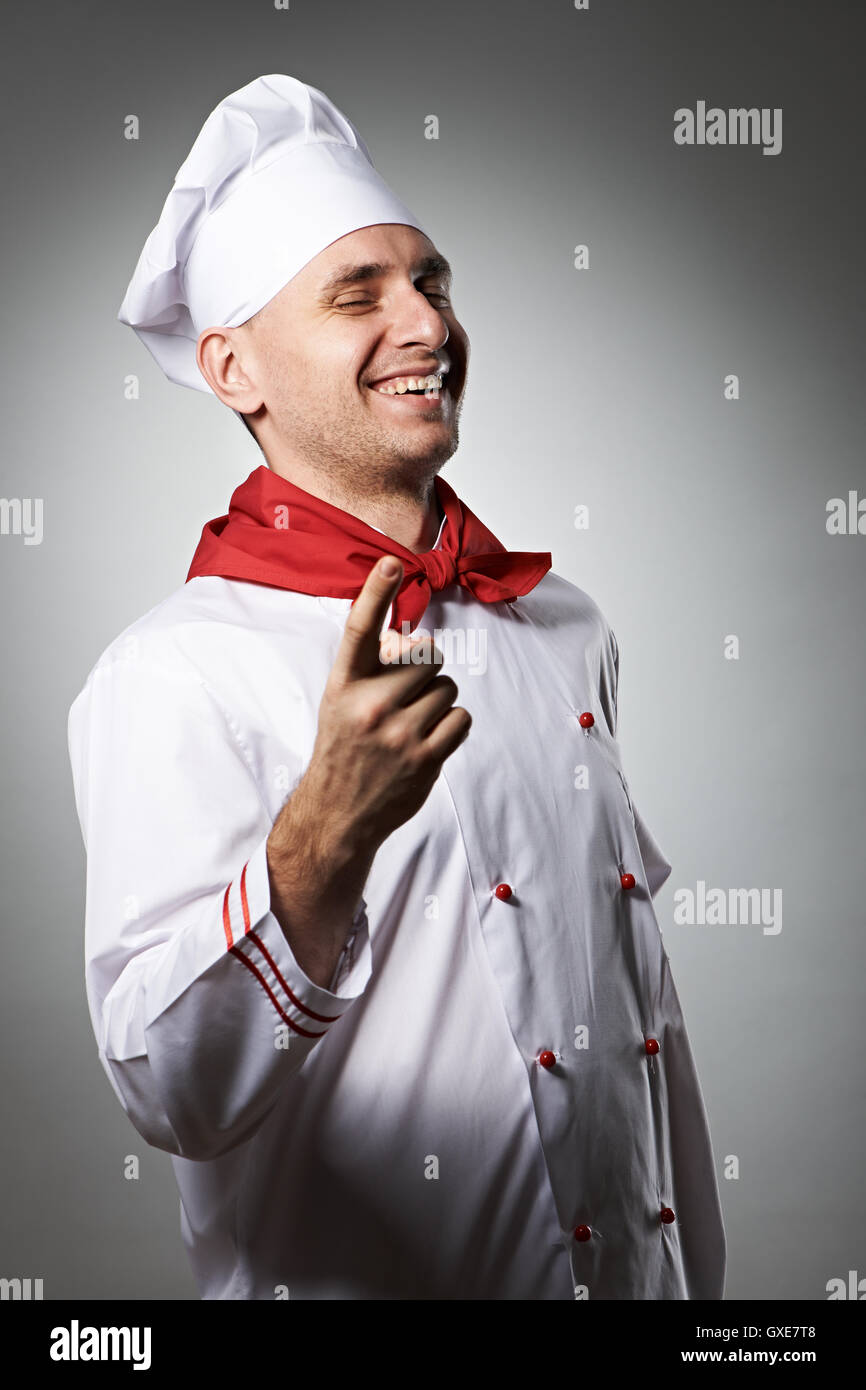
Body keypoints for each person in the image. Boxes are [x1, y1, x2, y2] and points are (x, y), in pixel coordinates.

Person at [67, 74, 726, 1300]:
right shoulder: (169, 673)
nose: (424, 324)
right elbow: (169, 1090)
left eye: (429, 282)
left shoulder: (562, 626)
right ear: (233, 367)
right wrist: (319, 839)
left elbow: (636, 1002)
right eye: (355, 295)